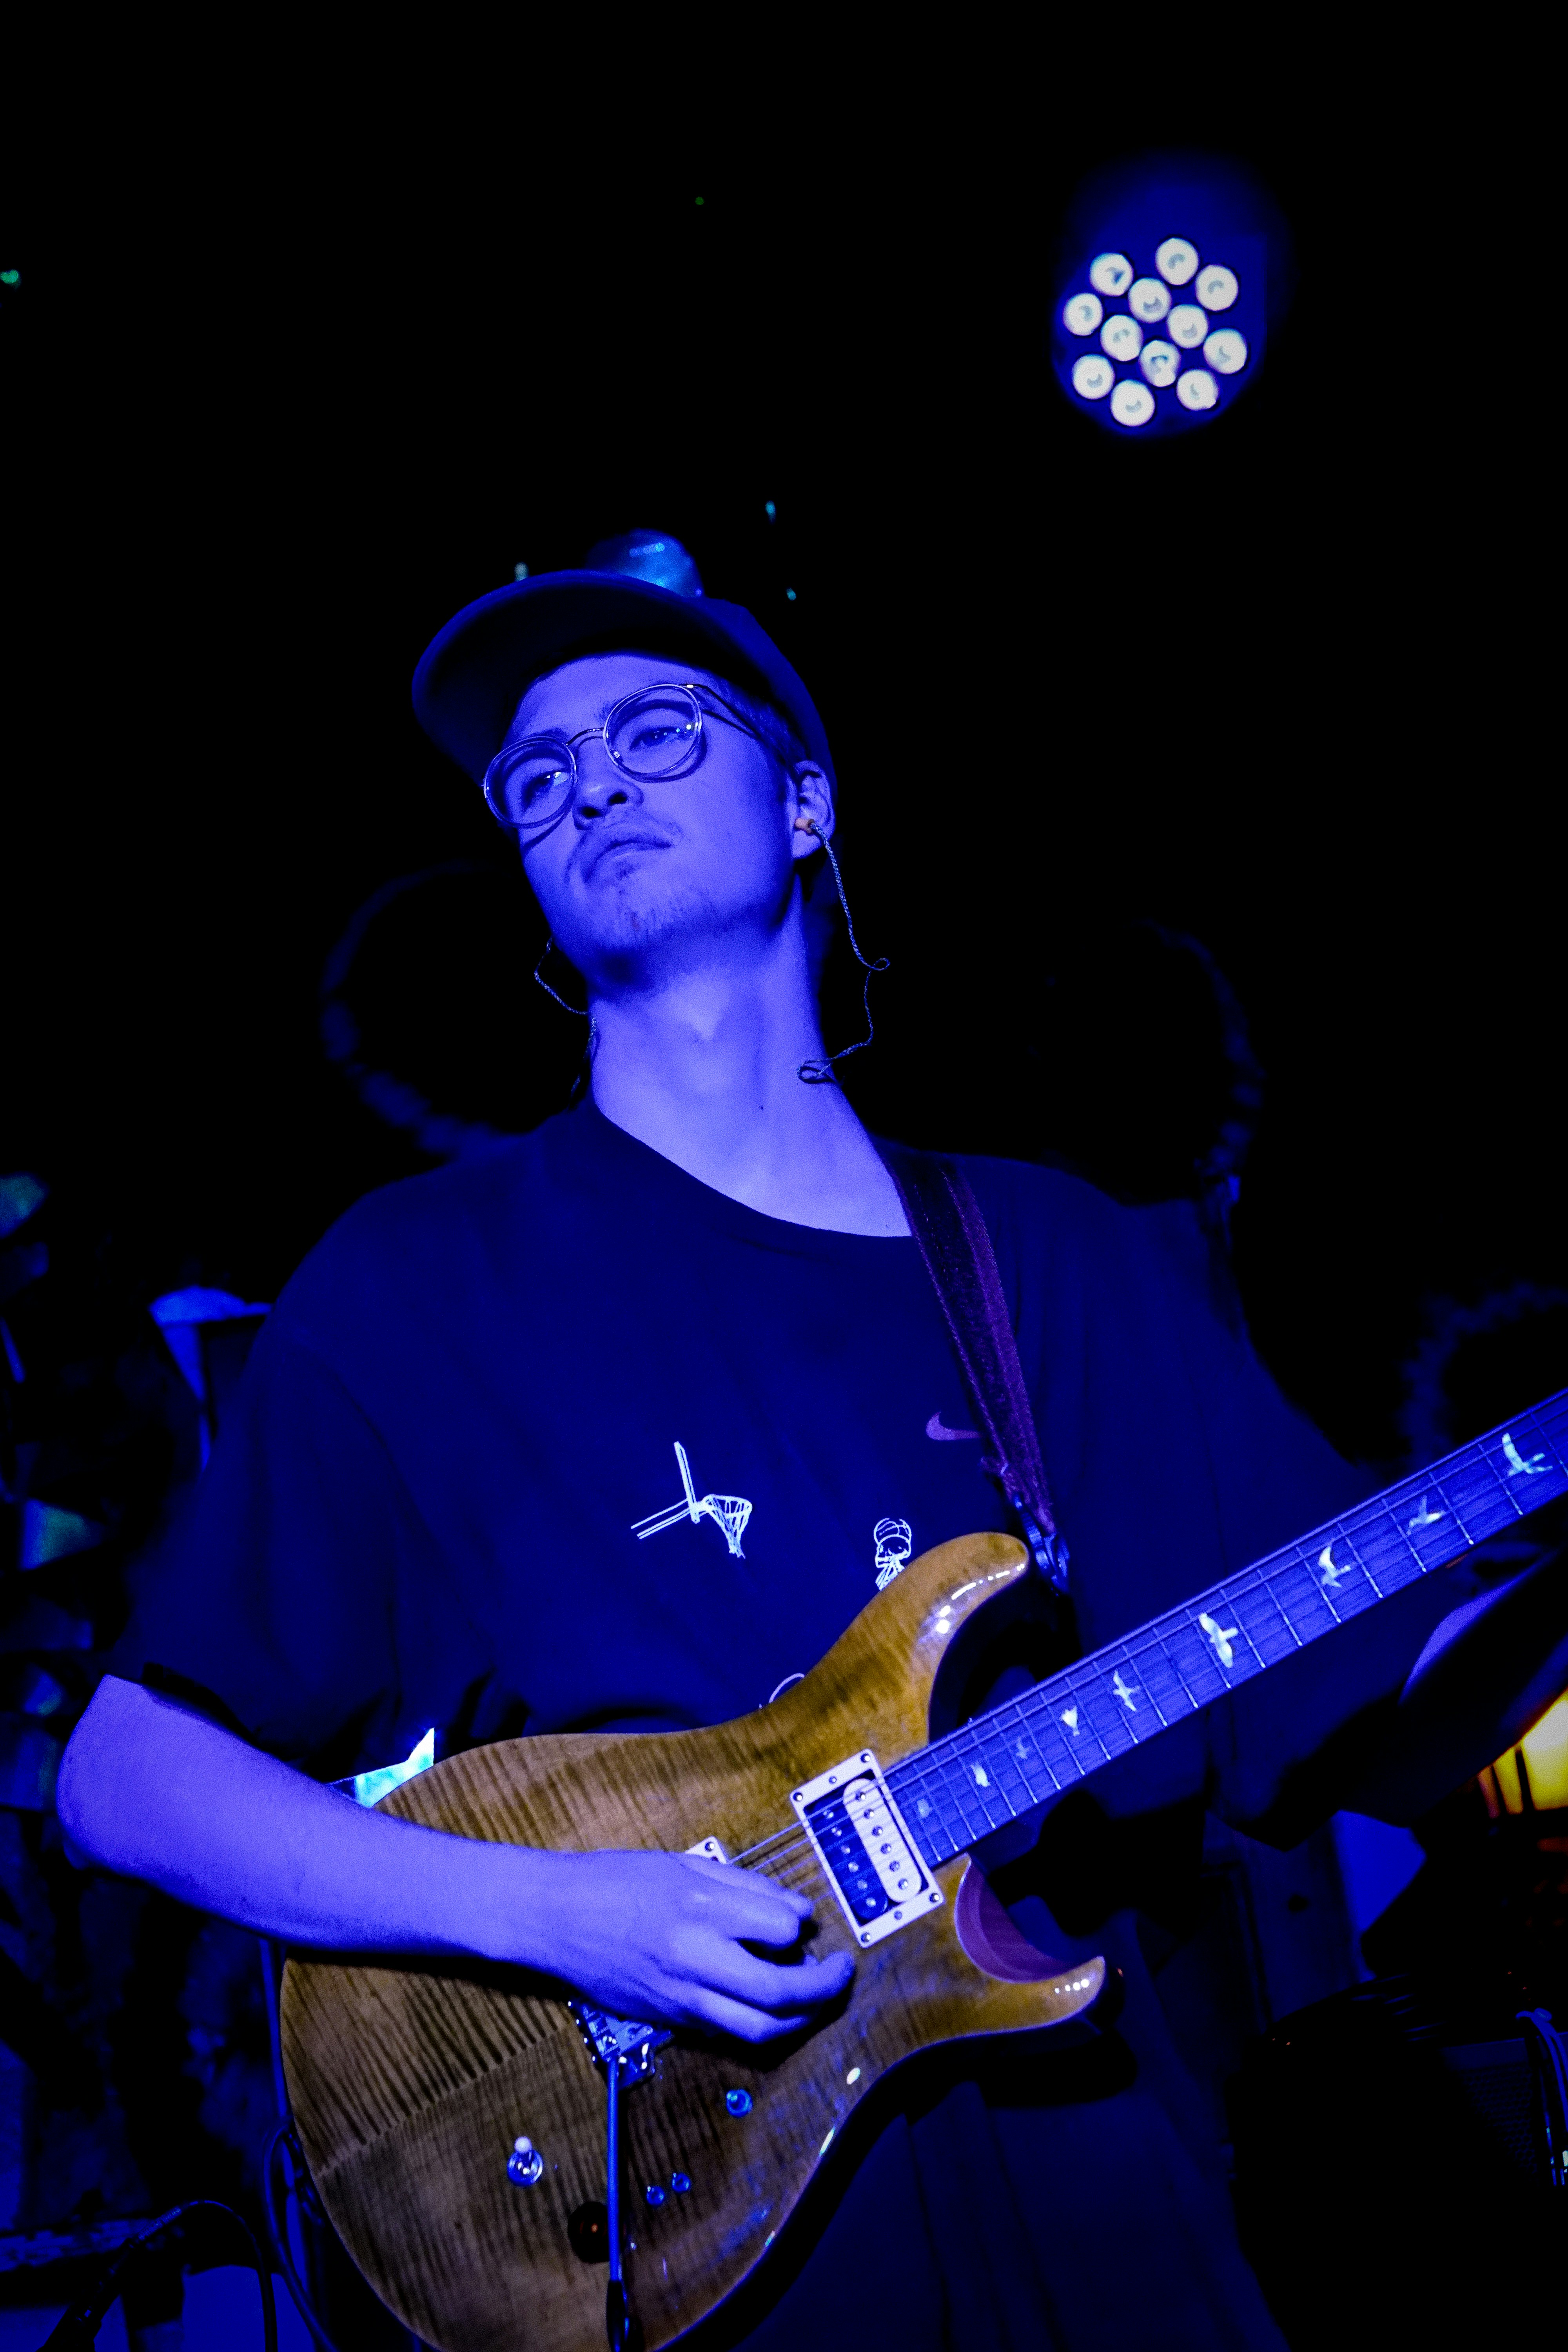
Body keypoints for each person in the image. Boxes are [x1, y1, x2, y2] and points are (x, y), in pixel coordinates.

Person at [58, 572, 1568, 2350]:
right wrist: (563, 1917)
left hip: (1082, 2176)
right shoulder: (409, 1283)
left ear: (805, 804)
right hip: (695, 2235)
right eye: (536, 779)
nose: (590, 785)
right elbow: (129, 1778)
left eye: (652, 733)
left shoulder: (1046, 1257)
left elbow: (1377, 1708)